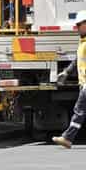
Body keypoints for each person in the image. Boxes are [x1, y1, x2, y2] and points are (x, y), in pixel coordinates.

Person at [52, 10, 86, 148]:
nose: (77, 28)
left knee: (79, 110)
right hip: (83, 84)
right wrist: (66, 72)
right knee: (80, 111)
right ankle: (67, 138)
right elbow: (77, 60)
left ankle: (67, 138)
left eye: (79, 25)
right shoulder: (83, 43)